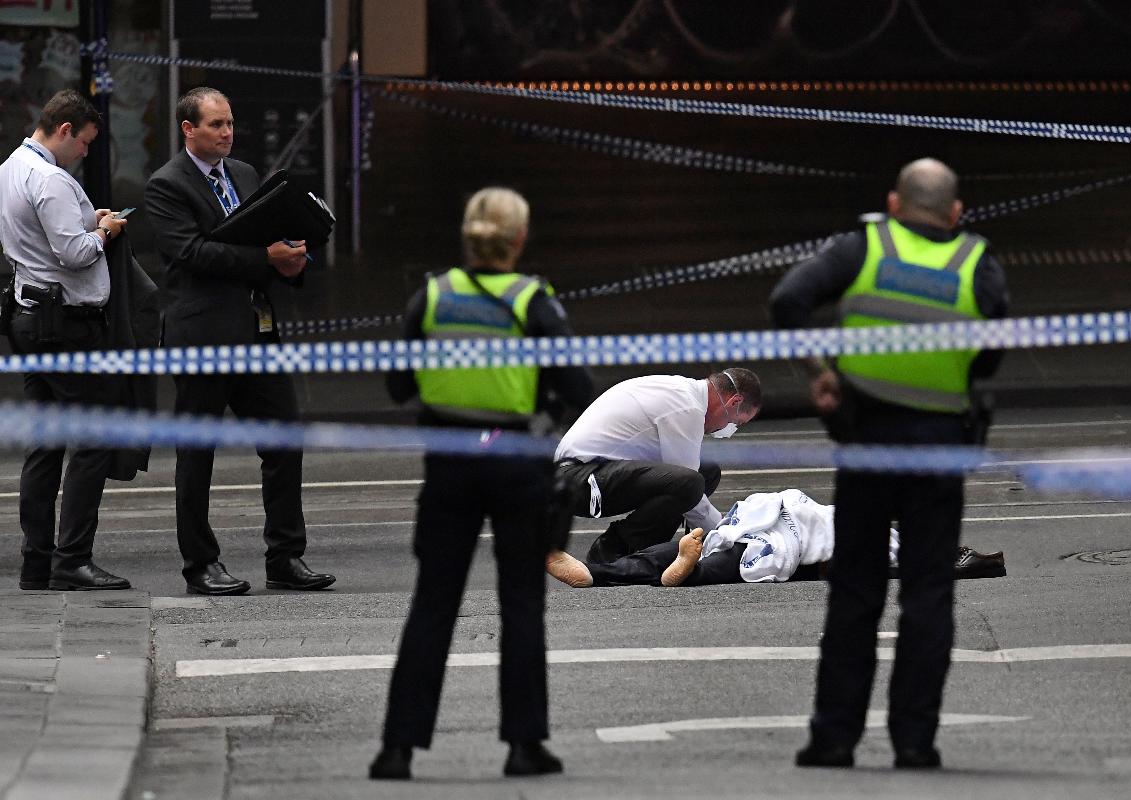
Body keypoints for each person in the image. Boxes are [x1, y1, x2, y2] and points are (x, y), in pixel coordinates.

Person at [769, 157, 1009, 770]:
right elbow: (991, 351)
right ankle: (915, 742)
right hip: (937, 449)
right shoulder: (976, 263)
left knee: (855, 592)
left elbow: (788, 298)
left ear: (895, 204)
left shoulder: (864, 247)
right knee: (929, 595)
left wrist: (819, 375)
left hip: (867, 443)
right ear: (956, 213)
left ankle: (833, 739)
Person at [369, 187, 594, 781]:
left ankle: (397, 748)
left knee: (433, 604)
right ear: (518, 240)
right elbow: (578, 389)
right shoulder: (533, 302)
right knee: (521, 604)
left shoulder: (434, 296)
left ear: (467, 237)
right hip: (517, 463)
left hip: (449, 463)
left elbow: (398, 386)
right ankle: (524, 747)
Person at [144, 87, 332, 596]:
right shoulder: (167, 185)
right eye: (216, 125)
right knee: (197, 454)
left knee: (284, 440)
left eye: (230, 123)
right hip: (202, 335)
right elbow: (192, 254)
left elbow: (259, 239)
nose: (228, 133)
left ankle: (286, 557)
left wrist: (291, 258)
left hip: (257, 331)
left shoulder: (245, 175)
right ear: (189, 129)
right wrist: (266, 257)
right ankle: (201, 565)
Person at [0, 89, 131, 591]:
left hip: (31, 316)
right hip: (65, 325)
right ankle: (72, 558)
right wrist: (105, 231)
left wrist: (87, 221)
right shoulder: (50, 179)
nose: (86, 152)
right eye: (85, 142)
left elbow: (44, 235)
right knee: (92, 440)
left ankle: (36, 560)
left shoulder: (12, 165)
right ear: (63, 131)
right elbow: (75, 254)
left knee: (46, 444)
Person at [544, 489, 1006, 588]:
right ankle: (592, 572)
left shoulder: (894, 549)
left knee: (703, 556)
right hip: (771, 530)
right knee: (695, 549)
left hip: (785, 546)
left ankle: (676, 569)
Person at [554, 368, 762, 565]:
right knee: (690, 482)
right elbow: (689, 487)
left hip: (587, 473)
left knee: (707, 471)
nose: (729, 430)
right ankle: (613, 549)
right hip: (577, 481)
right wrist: (728, 535)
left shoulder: (683, 392)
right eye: (738, 423)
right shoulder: (686, 407)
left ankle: (647, 548)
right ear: (734, 402)